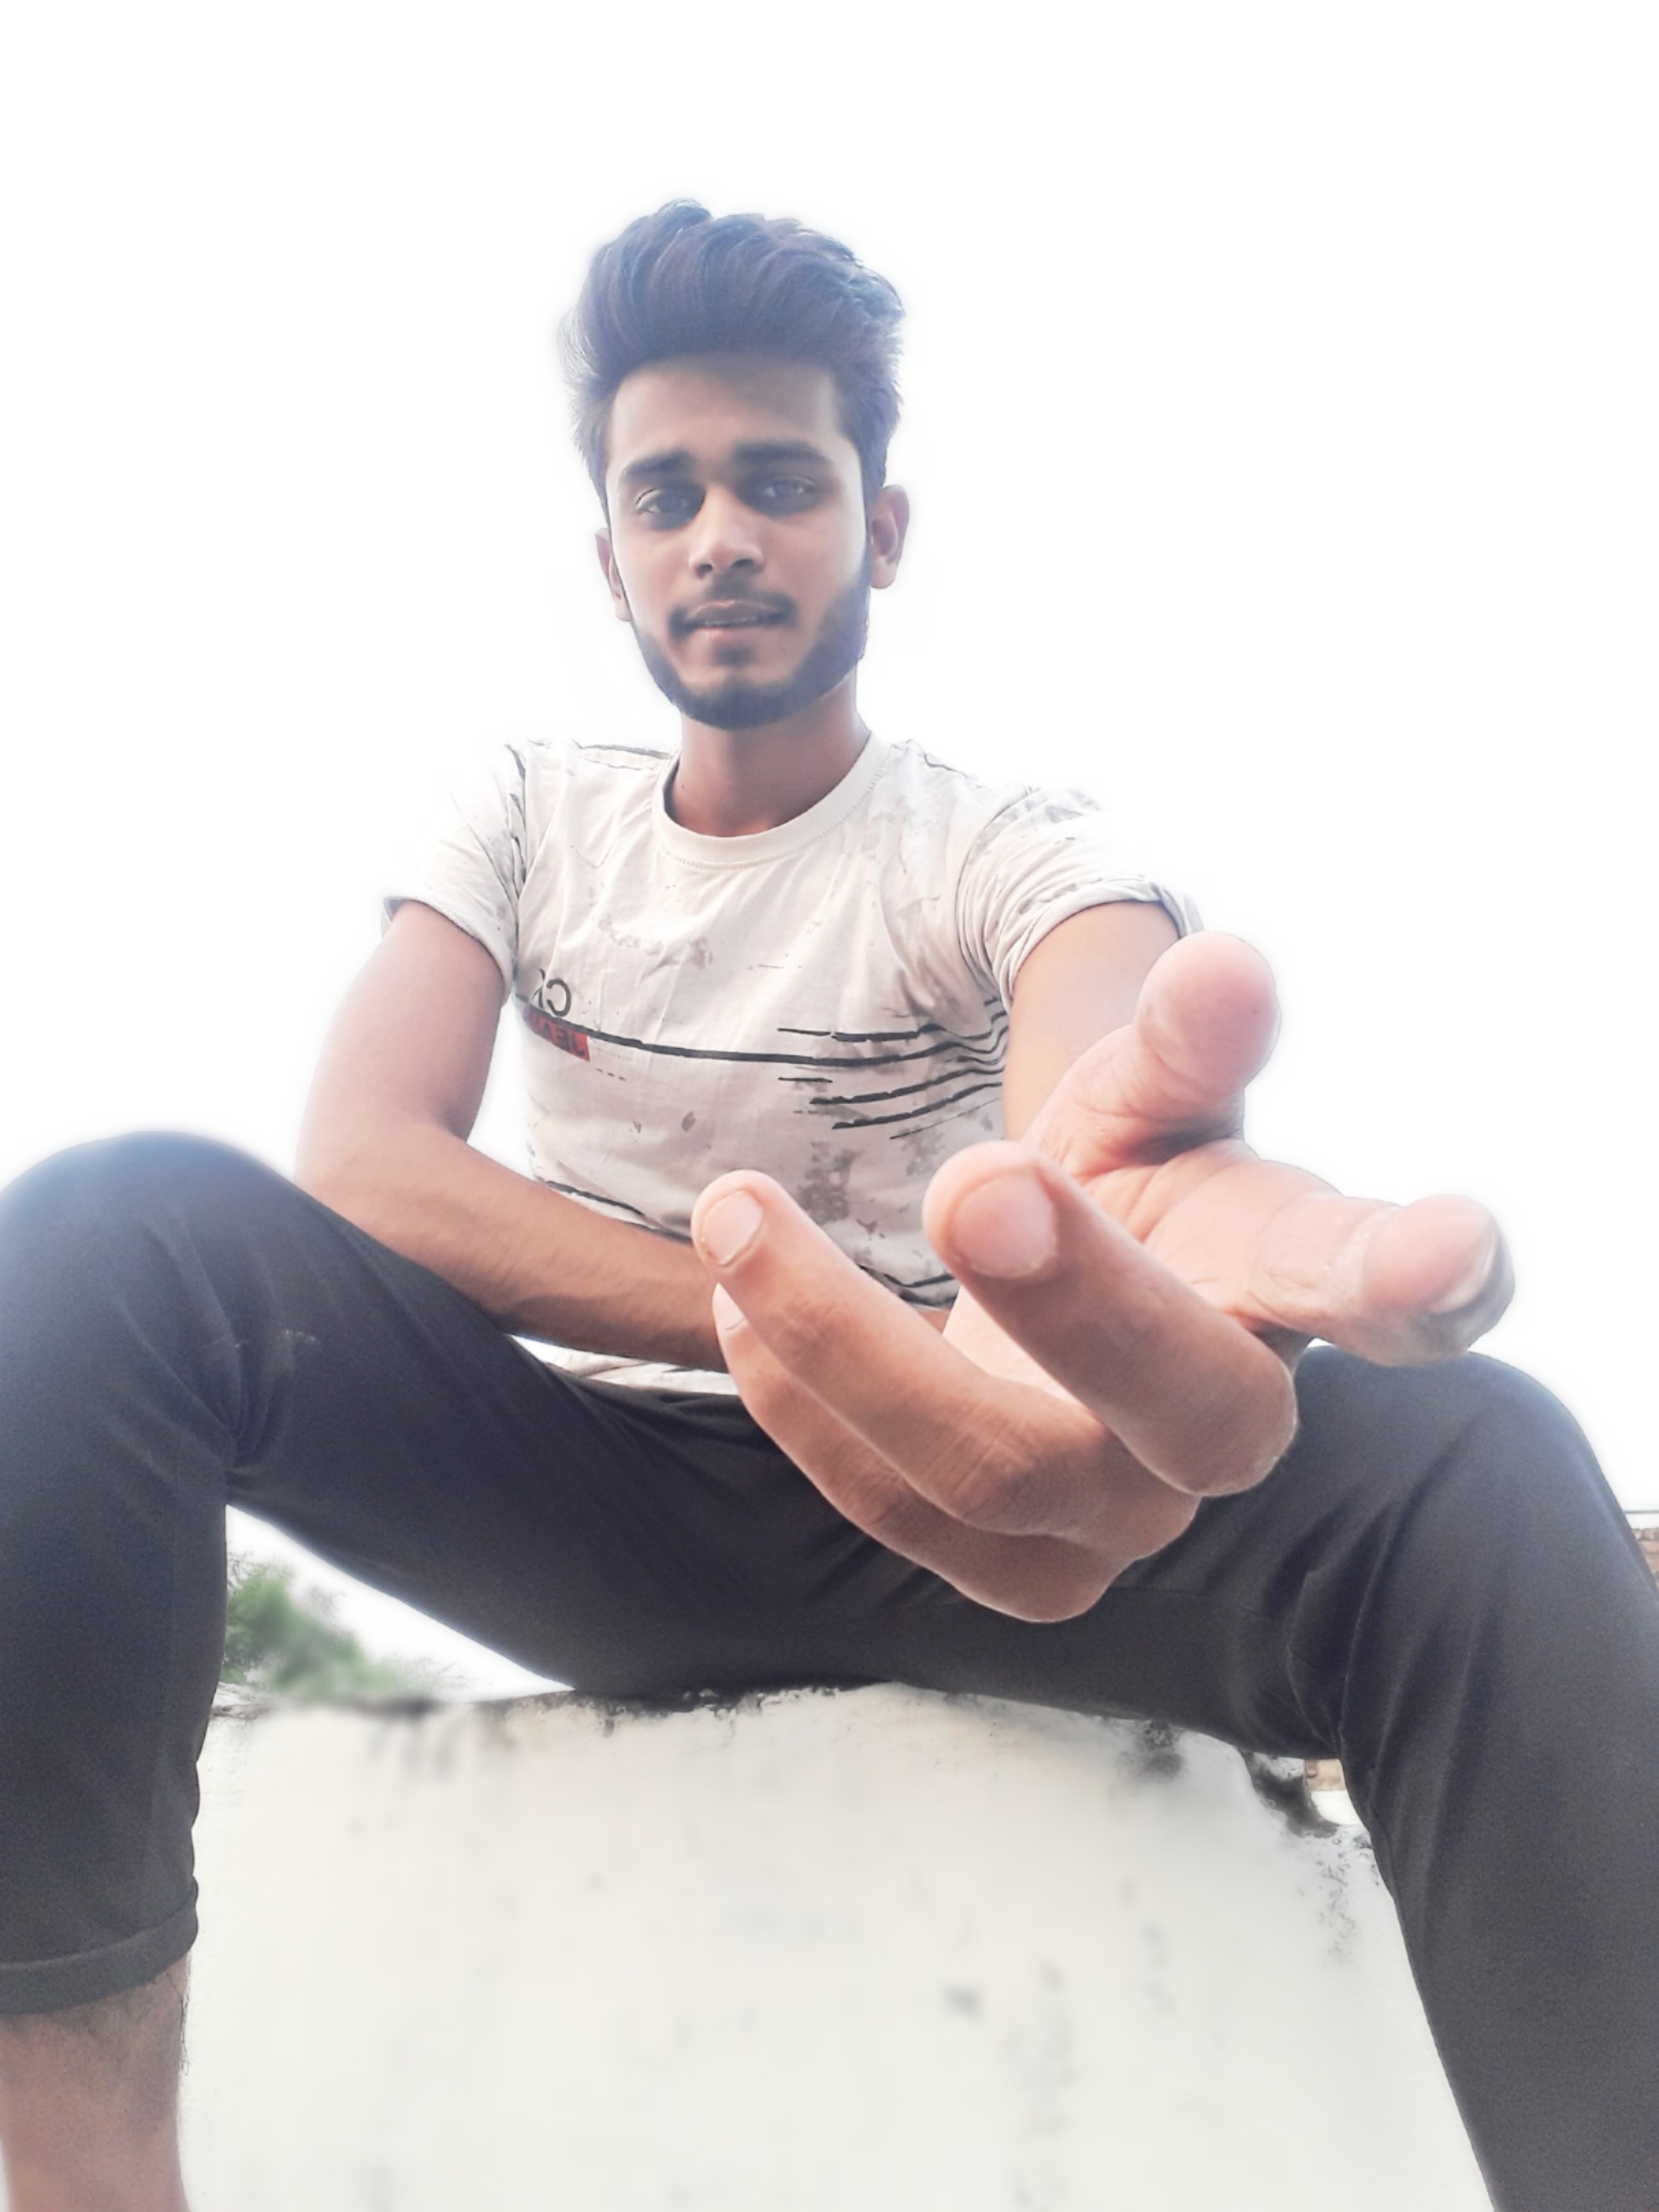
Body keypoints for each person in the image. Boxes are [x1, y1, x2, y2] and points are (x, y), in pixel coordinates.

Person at [0, 202, 1653, 2212]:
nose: (721, 535)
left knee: (1477, 1455)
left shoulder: (1013, 850)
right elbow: (365, 1156)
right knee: (101, 1238)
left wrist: (1095, 1251)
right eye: (666, 493)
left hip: (976, 1509)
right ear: (609, 552)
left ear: (879, 527)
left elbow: (1089, 1120)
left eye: (779, 482)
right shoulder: (522, 811)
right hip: (590, 1493)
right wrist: (778, 1314)